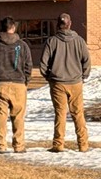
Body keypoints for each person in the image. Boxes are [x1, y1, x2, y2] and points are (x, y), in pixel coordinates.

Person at [39, 13, 91, 153]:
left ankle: (58, 144)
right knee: (78, 113)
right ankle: (83, 145)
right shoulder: (80, 41)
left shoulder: (52, 41)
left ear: (57, 25)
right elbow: (86, 60)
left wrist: (49, 77)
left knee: (60, 114)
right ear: (70, 24)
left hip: (57, 83)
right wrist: (83, 76)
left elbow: (43, 64)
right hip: (76, 82)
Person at [0, 16, 31, 154]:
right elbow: (28, 66)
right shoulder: (22, 45)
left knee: (0, 116)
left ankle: (1, 145)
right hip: (18, 84)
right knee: (18, 116)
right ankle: (19, 145)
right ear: (14, 28)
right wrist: (26, 81)